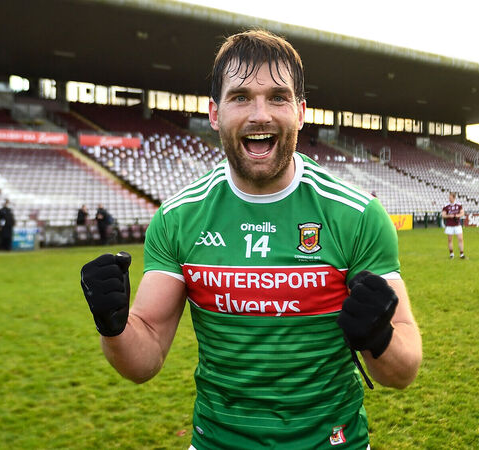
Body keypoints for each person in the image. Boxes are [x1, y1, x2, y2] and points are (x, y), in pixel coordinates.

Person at [78, 29, 422, 449]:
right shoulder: (177, 218)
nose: (260, 115)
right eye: (241, 97)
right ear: (215, 113)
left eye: (277, 97)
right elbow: (143, 360)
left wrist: (380, 337)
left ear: (300, 112)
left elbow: (403, 372)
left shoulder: (357, 216)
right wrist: (113, 325)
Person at [442, 192, 465, 258]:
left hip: (457, 224)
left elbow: (462, 213)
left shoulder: (459, 205)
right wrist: (449, 216)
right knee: (450, 240)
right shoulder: (446, 206)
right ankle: (451, 254)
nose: (449, 198)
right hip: (449, 225)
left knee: (460, 239)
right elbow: (443, 215)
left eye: (450, 197)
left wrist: (456, 215)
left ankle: (462, 254)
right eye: (449, 197)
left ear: (454, 198)